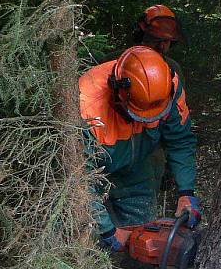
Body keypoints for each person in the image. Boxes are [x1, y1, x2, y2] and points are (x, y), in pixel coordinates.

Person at [80, 45, 201, 252]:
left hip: (136, 168)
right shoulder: (86, 104)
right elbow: (79, 177)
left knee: (144, 231)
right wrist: (107, 231)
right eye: (139, 115)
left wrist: (186, 191)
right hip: (95, 169)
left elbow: (180, 140)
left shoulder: (168, 87)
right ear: (119, 92)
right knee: (87, 237)